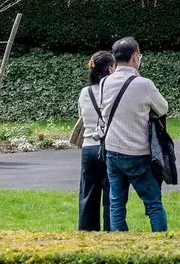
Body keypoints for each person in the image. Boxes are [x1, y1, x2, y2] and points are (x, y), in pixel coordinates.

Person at [99, 37, 171, 233]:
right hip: (138, 153)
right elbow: (163, 108)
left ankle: (120, 246)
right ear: (134, 57)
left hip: (112, 150)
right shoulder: (144, 84)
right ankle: (161, 245)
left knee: (116, 203)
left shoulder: (105, 82)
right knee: (153, 203)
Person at [76, 50, 114, 231]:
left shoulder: (85, 92)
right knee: (111, 195)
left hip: (88, 148)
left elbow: (81, 117)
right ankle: (111, 232)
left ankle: (86, 234)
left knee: (87, 195)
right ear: (110, 69)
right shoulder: (112, 92)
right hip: (109, 147)